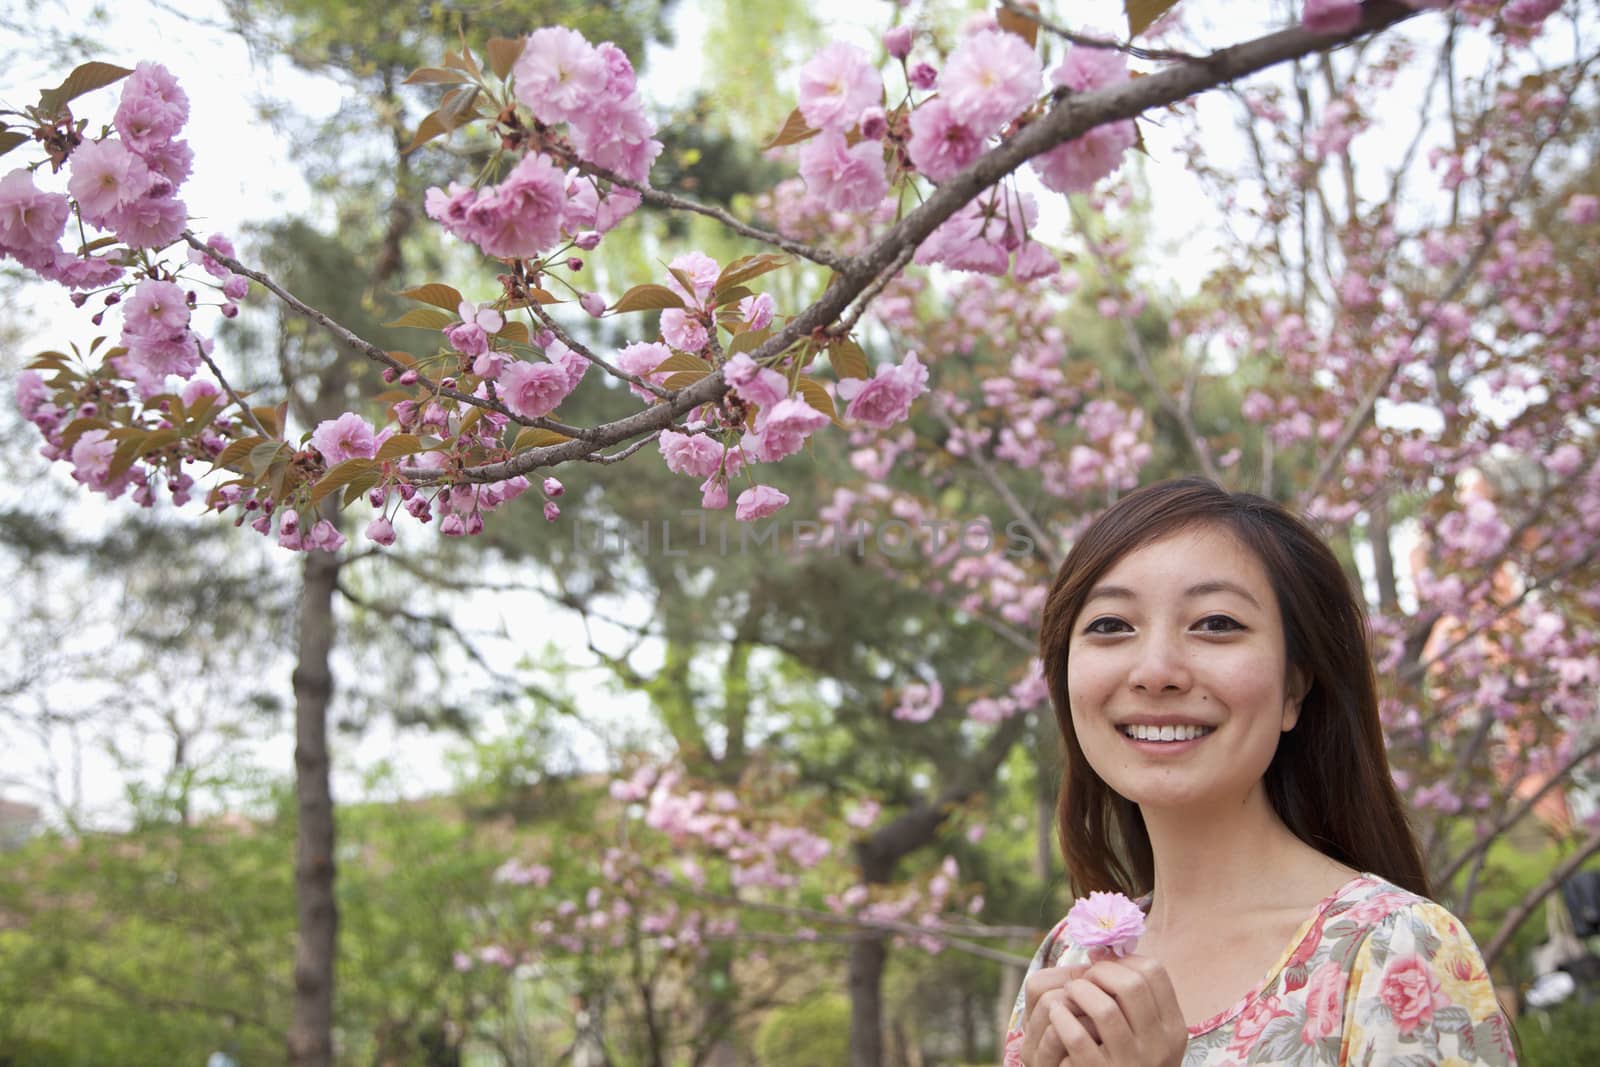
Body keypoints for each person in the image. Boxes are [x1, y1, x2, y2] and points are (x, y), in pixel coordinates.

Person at [1004, 477, 1516, 1066]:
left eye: (1216, 623)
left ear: (1294, 689)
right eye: (1111, 625)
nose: (1156, 670)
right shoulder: (1070, 958)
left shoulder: (1394, 949)